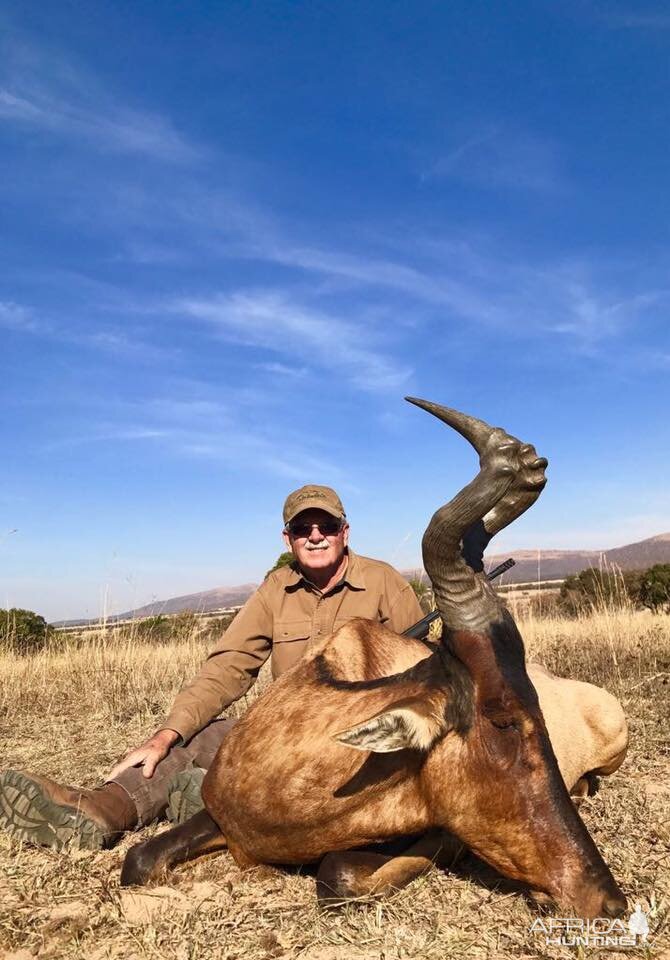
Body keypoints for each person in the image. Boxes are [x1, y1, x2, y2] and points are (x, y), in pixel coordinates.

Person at [0, 485, 423, 850]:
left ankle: (218, 807)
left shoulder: (385, 581)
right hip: (287, 729)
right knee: (197, 739)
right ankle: (101, 811)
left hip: (364, 737)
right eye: (302, 529)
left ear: (344, 533)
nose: (316, 537)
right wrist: (168, 732)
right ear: (287, 538)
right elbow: (230, 665)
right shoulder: (276, 588)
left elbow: (422, 669)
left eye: (327, 527)